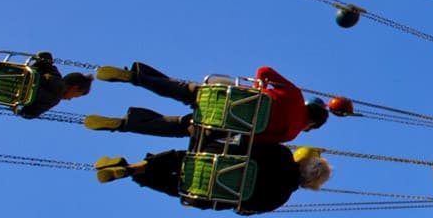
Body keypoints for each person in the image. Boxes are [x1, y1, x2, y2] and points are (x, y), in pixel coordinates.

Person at [85, 63, 328, 145]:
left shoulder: (295, 94)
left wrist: (260, 91)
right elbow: (251, 140)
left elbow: (264, 70)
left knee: (179, 88)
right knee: (181, 127)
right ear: (311, 124)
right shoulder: (292, 134)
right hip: (224, 122)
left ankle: (136, 77)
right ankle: (125, 124)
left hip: (226, 98)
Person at [95, 144, 331, 215]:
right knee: (181, 189)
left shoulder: (279, 153)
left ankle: (135, 167)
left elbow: (246, 144)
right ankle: (137, 178)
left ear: (304, 163)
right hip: (209, 192)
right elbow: (243, 209)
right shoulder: (279, 198)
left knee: (182, 158)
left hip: (211, 164)